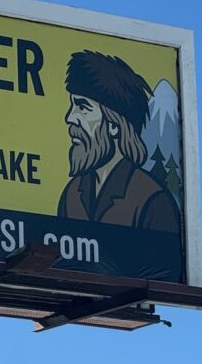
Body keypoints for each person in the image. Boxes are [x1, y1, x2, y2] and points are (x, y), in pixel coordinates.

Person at [57, 50, 180, 233]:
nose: (70, 117)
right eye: (72, 105)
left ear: (115, 125)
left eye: (83, 107)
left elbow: (162, 261)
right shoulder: (72, 194)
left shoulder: (151, 198)